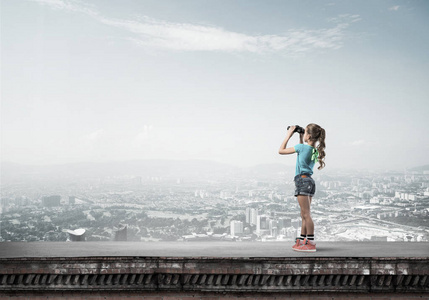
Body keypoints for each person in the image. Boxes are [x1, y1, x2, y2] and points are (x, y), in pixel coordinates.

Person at [279, 123, 326, 252]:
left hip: (302, 181)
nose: (303, 134)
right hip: (309, 182)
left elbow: (281, 150)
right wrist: (301, 136)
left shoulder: (301, 147)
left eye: (305, 132)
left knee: (306, 214)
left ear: (309, 136)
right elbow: (302, 155)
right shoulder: (314, 151)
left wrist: (289, 134)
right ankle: (303, 240)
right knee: (304, 214)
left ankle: (310, 243)